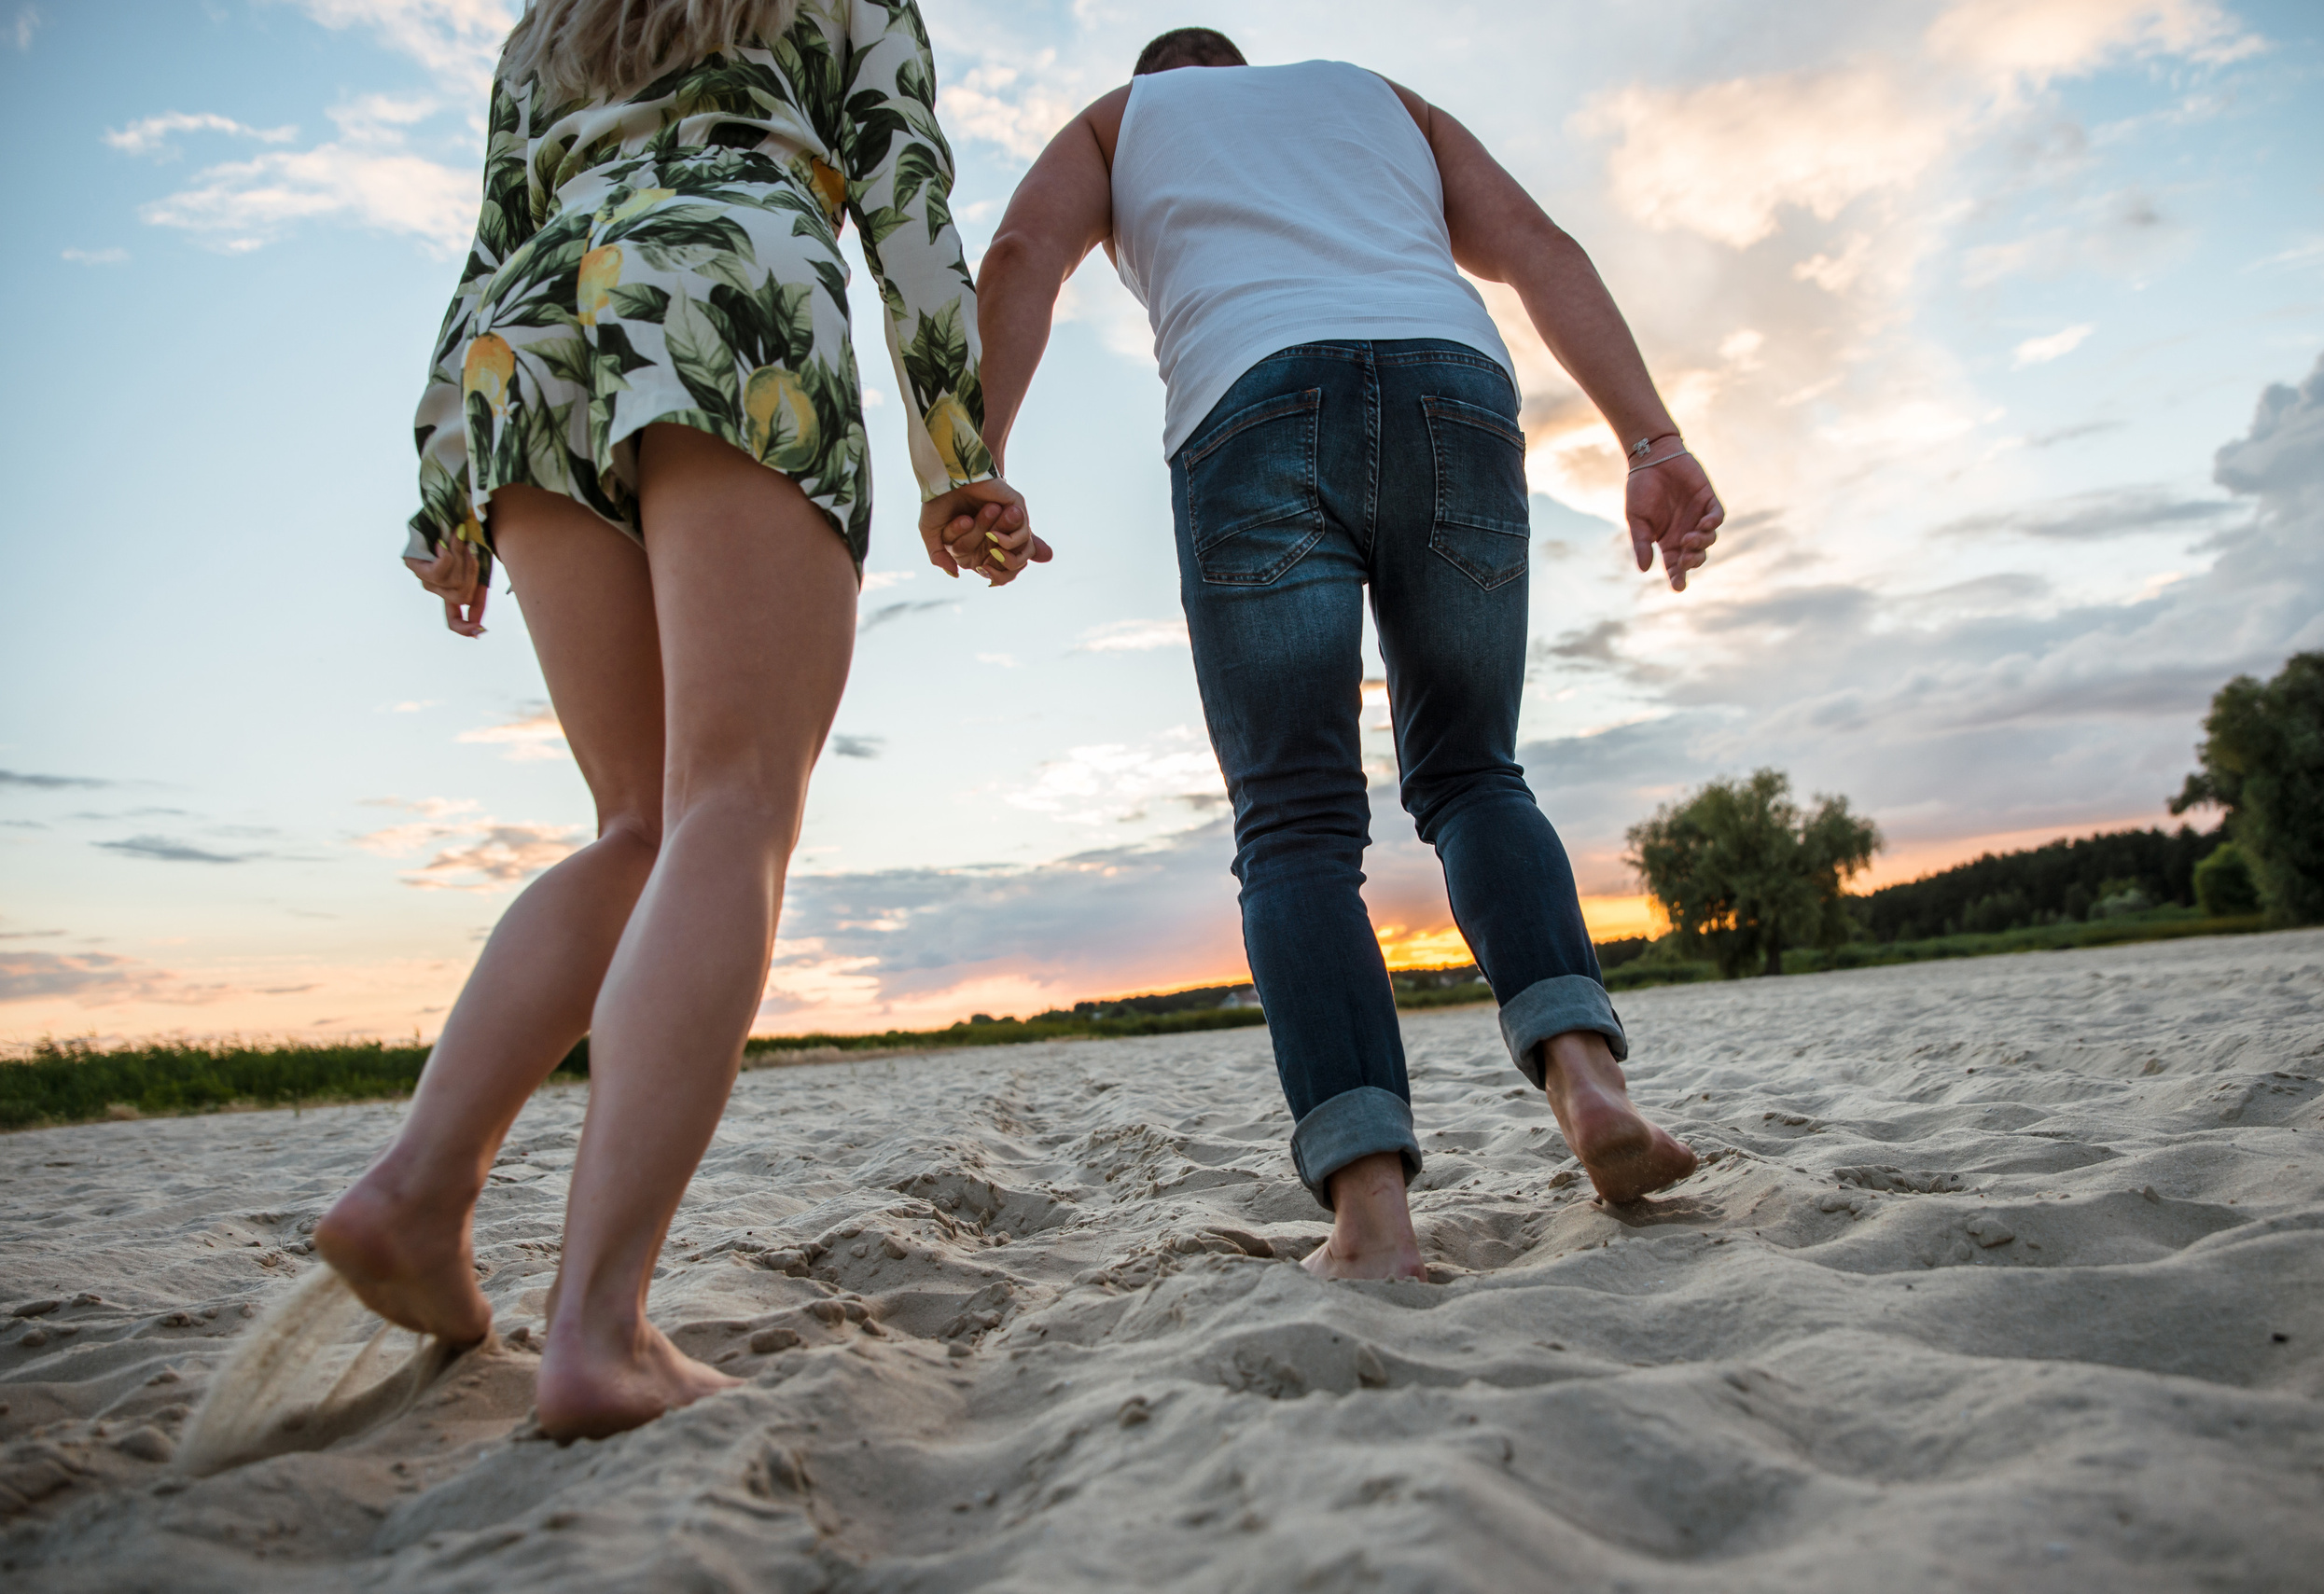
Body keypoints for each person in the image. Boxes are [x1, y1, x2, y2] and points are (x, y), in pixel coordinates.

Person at [314, 0, 1038, 1440]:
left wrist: (444, 494)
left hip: (528, 335)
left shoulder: (550, 25)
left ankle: (417, 1187)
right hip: (729, 277)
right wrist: (962, 454)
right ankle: (598, 1327)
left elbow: (485, 241)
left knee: (636, 823)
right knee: (731, 806)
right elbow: (905, 193)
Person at [944, 27, 1722, 1281]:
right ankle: (1589, 1081)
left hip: (1252, 408)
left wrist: (975, 456)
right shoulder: (1381, 101)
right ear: (1247, 71)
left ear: (1161, 80)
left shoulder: (1119, 119)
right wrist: (1649, 441)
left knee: (1296, 822)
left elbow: (1023, 253)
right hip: (1452, 388)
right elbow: (1541, 250)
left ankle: (1373, 1214)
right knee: (1474, 772)